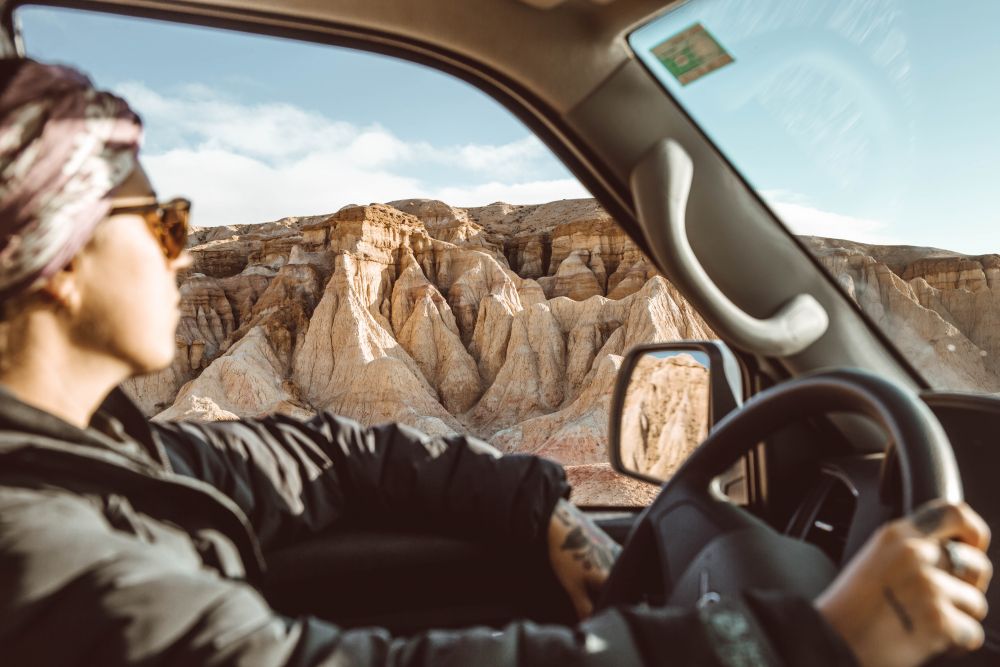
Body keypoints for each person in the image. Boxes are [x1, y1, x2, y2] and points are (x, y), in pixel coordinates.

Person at [0, 57, 990, 667]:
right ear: (61, 261)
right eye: (164, 220)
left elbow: (334, 454)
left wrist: (538, 510)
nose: (183, 247)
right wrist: (797, 643)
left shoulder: (110, 455)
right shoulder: (28, 550)